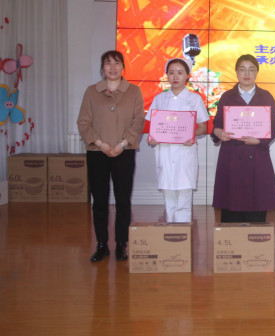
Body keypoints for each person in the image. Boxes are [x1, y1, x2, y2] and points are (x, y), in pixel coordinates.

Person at [77, 50, 145, 263]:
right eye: (108, 63)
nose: (112, 67)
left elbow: (138, 121)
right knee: (99, 201)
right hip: (97, 152)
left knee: (123, 200)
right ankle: (101, 245)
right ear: (102, 68)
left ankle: (122, 244)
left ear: (123, 67)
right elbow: (83, 122)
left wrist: (122, 144)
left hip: (124, 152)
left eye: (117, 63)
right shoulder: (91, 92)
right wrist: (100, 143)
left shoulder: (134, 91)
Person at [211, 54, 275, 223]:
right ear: (236, 72)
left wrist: (260, 141)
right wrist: (218, 132)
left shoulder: (266, 96)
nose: (247, 74)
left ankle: (255, 239)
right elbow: (217, 124)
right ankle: (231, 239)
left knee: (257, 208)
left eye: (251, 70)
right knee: (230, 207)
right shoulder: (227, 96)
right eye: (242, 69)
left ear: (257, 72)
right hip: (231, 156)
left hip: (257, 154)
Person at [146, 58, 209, 223]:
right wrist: (152, 138)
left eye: (180, 73)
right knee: (169, 195)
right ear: (166, 75)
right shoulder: (159, 99)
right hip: (165, 153)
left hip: (185, 152)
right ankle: (170, 229)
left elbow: (203, 127)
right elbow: (153, 128)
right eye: (171, 73)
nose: (175, 77)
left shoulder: (194, 99)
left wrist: (191, 135)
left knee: (184, 195)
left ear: (187, 76)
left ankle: (182, 231)